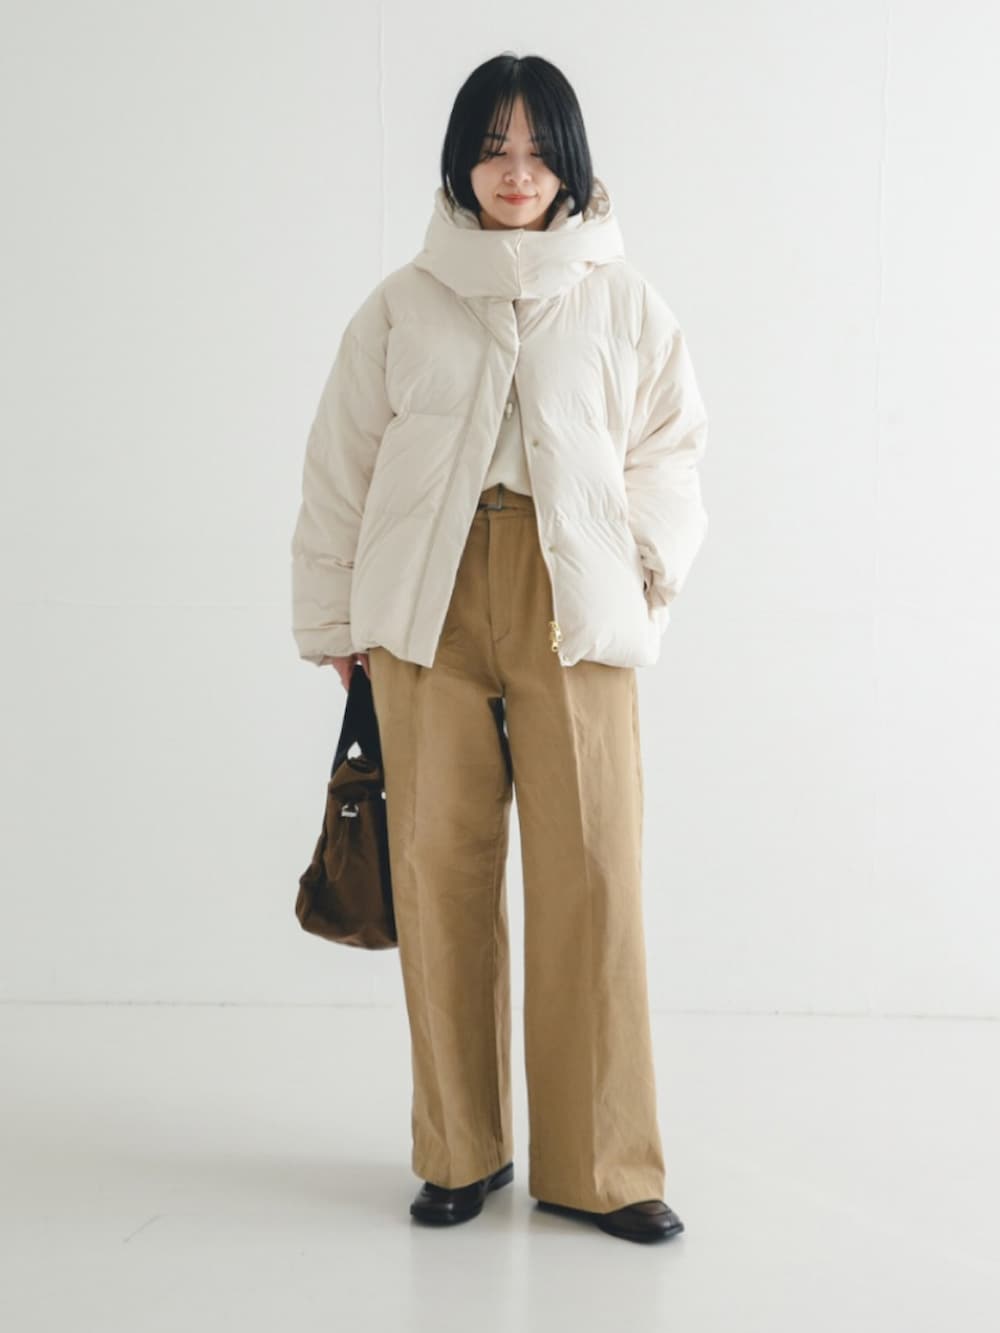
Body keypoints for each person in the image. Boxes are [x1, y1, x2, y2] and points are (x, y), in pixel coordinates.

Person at [290, 52, 708, 1245]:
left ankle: (602, 1165)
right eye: (490, 147)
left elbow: (671, 449)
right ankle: (458, 1150)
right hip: (424, 606)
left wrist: (641, 568)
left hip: (574, 605)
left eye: (534, 148)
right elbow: (340, 462)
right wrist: (337, 621)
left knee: (593, 874)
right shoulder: (403, 301)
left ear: (568, 162)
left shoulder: (624, 300)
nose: (514, 171)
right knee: (441, 872)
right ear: (459, 161)